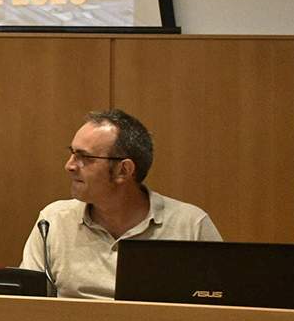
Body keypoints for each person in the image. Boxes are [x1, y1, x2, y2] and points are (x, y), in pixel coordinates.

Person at [20, 108, 221, 299]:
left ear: (123, 170)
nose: (69, 165)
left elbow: (223, 308)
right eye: (72, 153)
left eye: (84, 157)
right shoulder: (53, 221)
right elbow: (26, 303)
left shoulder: (191, 226)